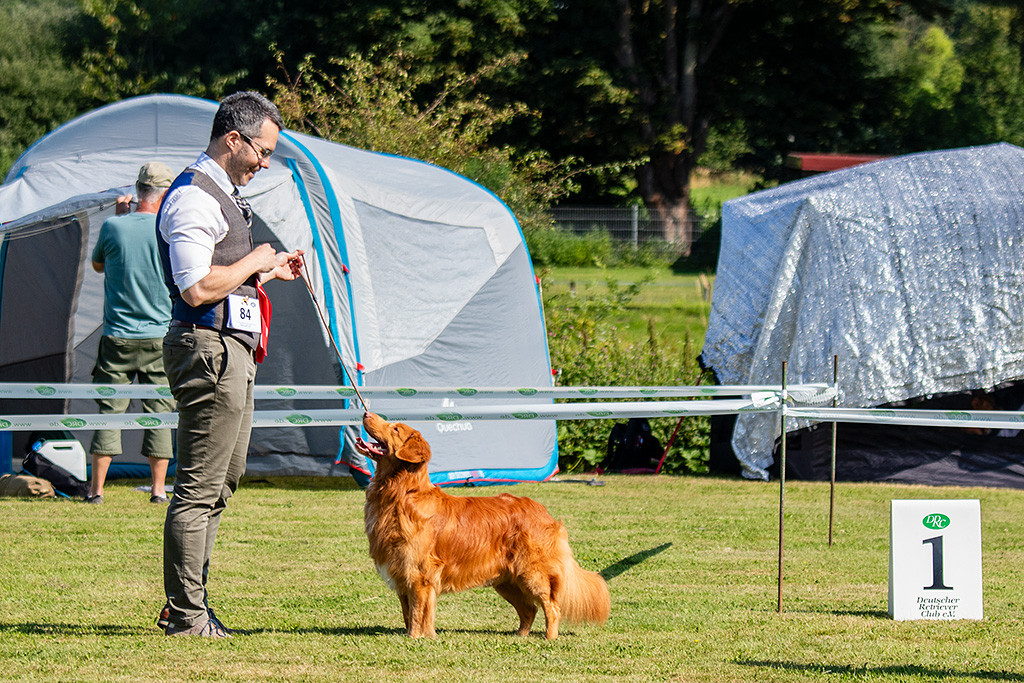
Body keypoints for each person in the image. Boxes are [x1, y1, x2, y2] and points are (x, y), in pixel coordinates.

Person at [156, 91, 304, 638]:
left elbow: (223, 278)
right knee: (199, 486)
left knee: (225, 478)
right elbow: (196, 288)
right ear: (233, 139)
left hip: (229, 347)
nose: (264, 162)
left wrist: (267, 273)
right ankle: (187, 614)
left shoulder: (222, 194)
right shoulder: (193, 198)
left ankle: (189, 600)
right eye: (261, 151)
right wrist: (255, 259)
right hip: (207, 348)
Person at [87, 162, 177, 506]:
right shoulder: (168, 229)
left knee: (110, 410)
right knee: (160, 411)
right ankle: (158, 490)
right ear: (165, 194)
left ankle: (96, 491)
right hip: (159, 336)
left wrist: (121, 217)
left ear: (137, 191)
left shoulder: (113, 227)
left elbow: (99, 265)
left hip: (118, 337)